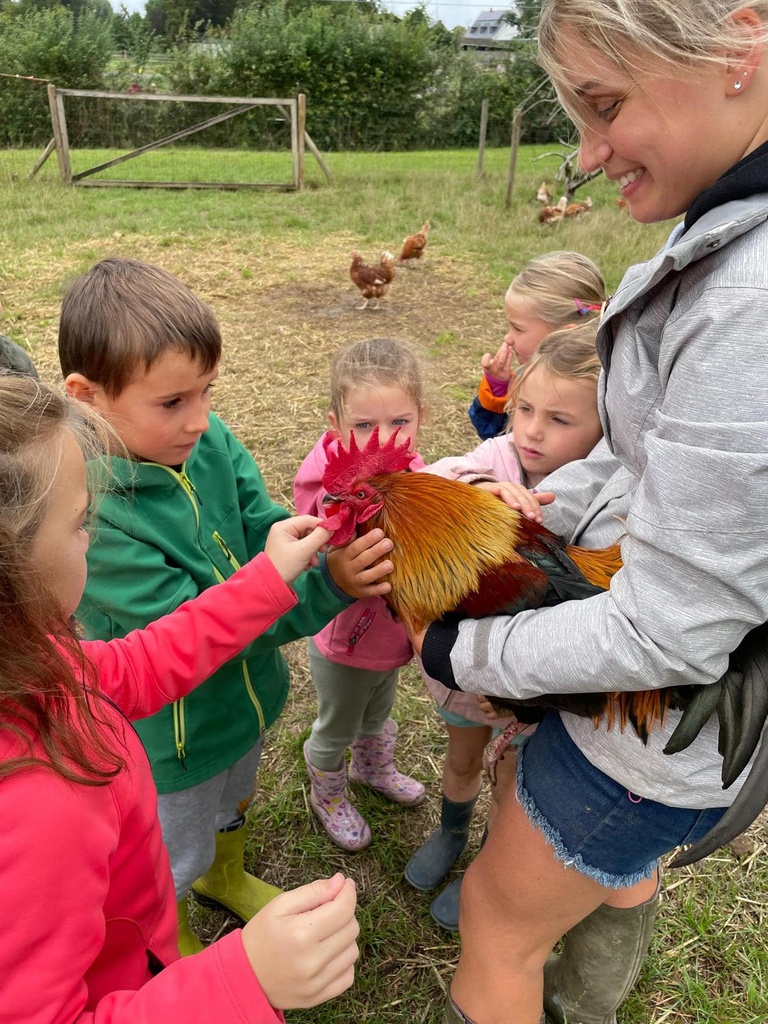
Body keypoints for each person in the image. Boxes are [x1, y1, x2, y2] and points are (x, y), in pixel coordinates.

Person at [413, 2, 768, 1021]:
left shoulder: (751, 293)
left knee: (496, 916)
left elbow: (666, 629)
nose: (586, 150)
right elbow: (648, 453)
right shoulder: (721, 234)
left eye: (605, 105)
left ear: (738, 48)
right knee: (569, 887)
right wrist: (532, 501)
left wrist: (457, 655)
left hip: (656, 724)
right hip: (650, 708)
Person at [0, 374, 362, 1022]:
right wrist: (238, 982)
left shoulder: (33, 664)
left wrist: (267, 581)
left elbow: (137, 665)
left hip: (129, 931)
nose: (93, 536)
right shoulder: (37, 807)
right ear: (13, 569)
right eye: (82, 522)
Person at [58, 258, 394, 955]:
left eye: (208, 392)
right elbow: (200, 636)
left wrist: (316, 546)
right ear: (87, 397)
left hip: (242, 705)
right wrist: (326, 583)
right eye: (173, 402)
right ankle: (168, 934)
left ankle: (224, 877)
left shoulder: (209, 440)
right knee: (171, 843)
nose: (201, 420)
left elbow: (258, 517)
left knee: (234, 800)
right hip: (172, 740)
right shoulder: (96, 517)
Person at [406, 324, 604, 932]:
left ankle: (490, 863)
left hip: (540, 699)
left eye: (560, 420)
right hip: (462, 680)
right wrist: (484, 488)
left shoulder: (598, 499)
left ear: (604, 432)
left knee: (515, 789)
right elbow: (443, 473)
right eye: (523, 409)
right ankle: (449, 831)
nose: (534, 430)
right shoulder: (498, 456)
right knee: (462, 758)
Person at [293, 338, 427, 851]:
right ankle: (326, 788)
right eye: (365, 425)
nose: (382, 438)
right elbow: (318, 534)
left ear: (420, 416)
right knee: (338, 723)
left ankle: (374, 768)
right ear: (336, 425)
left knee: (378, 710)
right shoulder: (328, 479)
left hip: (391, 636)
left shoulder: (414, 472)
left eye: (399, 421)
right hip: (345, 639)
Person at [468, 251, 605, 440]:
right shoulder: (530, 374)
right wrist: (500, 389)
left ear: (563, 335)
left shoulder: (593, 394)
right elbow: (500, 438)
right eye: (526, 409)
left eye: (518, 328)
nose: (508, 338)